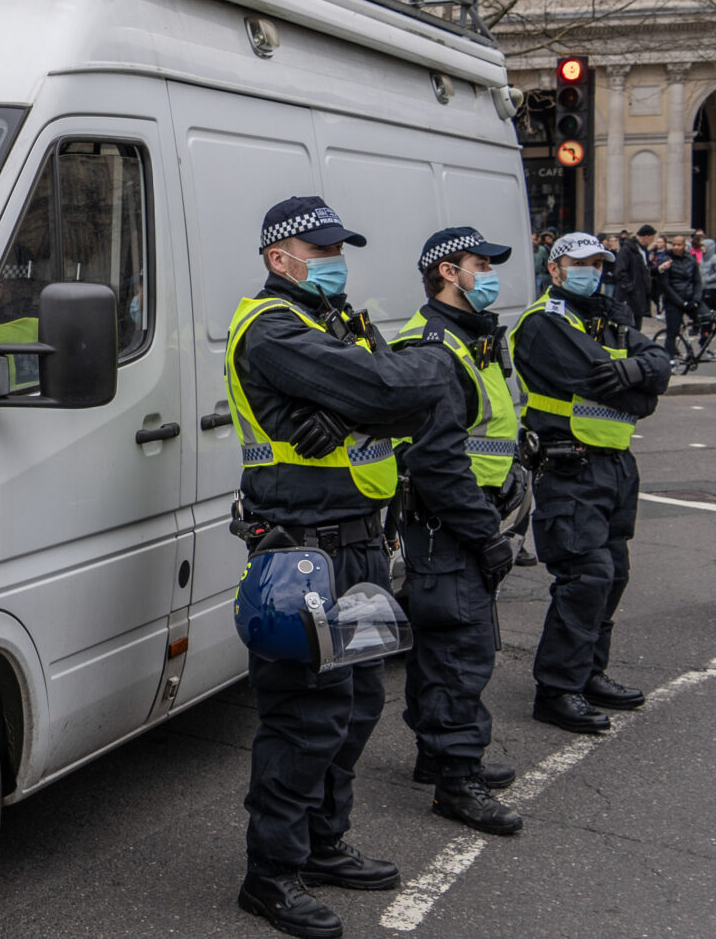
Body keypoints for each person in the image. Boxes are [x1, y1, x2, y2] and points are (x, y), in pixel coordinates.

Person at [224, 196, 443, 938]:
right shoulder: (271, 329)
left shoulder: (337, 321)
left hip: (356, 541)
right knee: (303, 716)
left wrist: (347, 408)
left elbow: (420, 393)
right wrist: (370, 396)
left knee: (357, 705)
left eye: (338, 248)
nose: (335, 260)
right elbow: (390, 388)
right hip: (300, 550)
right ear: (278, 259)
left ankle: (322, 843)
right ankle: (271, 872)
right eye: (321, 251)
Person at [388, 228, 525, 838]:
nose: (491, 272)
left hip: (464, 513)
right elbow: (436, 459)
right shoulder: (435, 348)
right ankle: (456, 781)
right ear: (448, 272)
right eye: (481, 264)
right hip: (452, 520)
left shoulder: (472, 339)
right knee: (460, 650)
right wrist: (484, 532)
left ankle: (435, 756)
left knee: (441, 640)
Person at [511, 231, 672, 735]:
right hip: (571, 465)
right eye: (580, 264)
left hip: (615, 465)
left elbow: (660, 363)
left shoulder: (606, 316)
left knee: (613, 574)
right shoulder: (544, 323)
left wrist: (639, 372)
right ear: (555, 269)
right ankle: (556, 689)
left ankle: (587, 672)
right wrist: (638, 379)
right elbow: (616, 383)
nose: (593, 272)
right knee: (587, 577)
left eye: (599, 264)